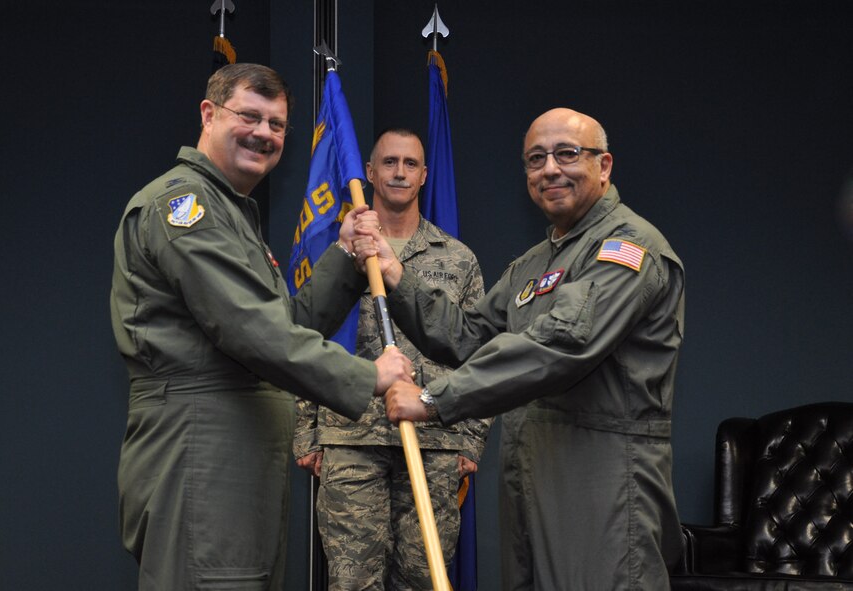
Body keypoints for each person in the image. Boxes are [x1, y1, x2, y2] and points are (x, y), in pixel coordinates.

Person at [110, 63, 413, 590]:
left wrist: (343, 253)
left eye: (276, 125)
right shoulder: (185, 206)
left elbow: (283, 322)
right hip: (203, 446)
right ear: (209, 114)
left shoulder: (231, 213)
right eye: (249, 116)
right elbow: (251, 331)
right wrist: (370, 377)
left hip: (237, 451)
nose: (264, 134)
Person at [365, 108, 686, 590]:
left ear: (604, 166)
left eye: (567, 154)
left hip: (602, 478)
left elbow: (559, 345)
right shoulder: (533, 264)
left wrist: (435, 400)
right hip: (530, 473)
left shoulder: (628, 247)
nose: (550, 169)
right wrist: (396, 274)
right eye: (536, 159)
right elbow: (467, 335)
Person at [293, 128, 491, 590]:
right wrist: (307, 432)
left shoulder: (458, 259)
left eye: (409, 164)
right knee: (352, 582)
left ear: (424, 175)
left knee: (424, 579)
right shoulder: (340, 254)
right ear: (369, 172)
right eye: (388, 162)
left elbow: (480, 352)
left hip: (433, 441)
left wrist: (472, 439)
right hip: (349, 437)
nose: (399, 172)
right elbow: (301, 341)